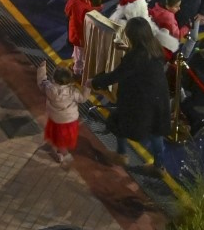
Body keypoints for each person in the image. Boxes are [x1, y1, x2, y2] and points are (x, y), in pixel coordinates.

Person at [91, 20, 169, 167]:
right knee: (156, 131)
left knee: (118, 121)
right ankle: (159, 166)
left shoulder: (135, 57)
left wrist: (95, 82)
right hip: (159, 97)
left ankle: (121, 155)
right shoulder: (155, 47)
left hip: (140, 100)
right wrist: (129, 50)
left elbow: (117, 75)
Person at [37, 62, 85, 164]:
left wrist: (42, 69)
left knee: (58, 138)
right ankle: (63, 152)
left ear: (54, 79)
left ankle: (62, 153)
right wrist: (88, 86)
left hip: (56, 119)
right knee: (64, 139)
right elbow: (83, 99)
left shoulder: (50, 88)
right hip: (70, 119)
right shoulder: (73, 91)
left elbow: (42, 82)